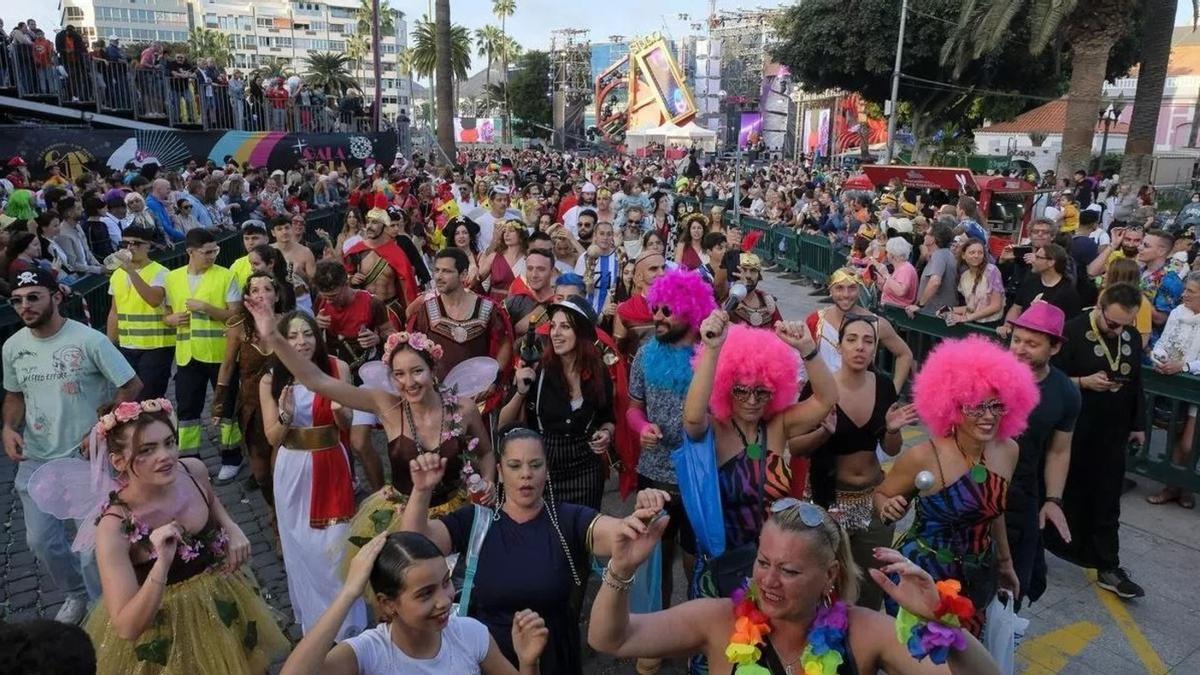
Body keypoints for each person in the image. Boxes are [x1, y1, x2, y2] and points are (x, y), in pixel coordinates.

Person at [588, 498, 1002, 675]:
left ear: (829, 576)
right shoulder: (718, 621)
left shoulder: (864, 631)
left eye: (789, 571)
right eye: (763, 562)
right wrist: (622, 568)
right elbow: (612, 639)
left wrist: (945, 623)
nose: (767, 580)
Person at [245, 295, 496, 559]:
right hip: (403, 517)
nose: (408, 382)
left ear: (433, 368)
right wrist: (273, 336)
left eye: (417, 371)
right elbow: (317, 381)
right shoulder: (385, 406)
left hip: (457, 513)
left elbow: (487, 454)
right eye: (399, 374)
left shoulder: (463, 408)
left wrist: (488, 481)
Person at [401, 429, 670, 674]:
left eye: (535, 465)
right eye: (514, 466)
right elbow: (414, 544)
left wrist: (640, 516)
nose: (525, 474)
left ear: (547, 470)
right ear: (500, 472)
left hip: (553, 658)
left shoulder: (567, 519)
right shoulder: (476, 521)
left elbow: (618, 533)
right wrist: (421, 490)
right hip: (491, 660)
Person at [83, 398, 288, 673]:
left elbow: (211, 500)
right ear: (119, 461)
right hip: (165, 637)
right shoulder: (114, 528)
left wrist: (231, 527)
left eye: (169, 442)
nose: (165, 456)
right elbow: (127, 627)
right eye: (147, 449)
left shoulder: (192, 471)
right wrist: (162, 564)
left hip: (220, 607)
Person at [3, 268, 142, 624]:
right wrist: (7, 427)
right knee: (41, 542)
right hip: (37, 459)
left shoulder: (89, 340)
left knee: (92, 549)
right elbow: (15, 394)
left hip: (88, 460)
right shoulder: (13, 347)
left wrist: (102, 426)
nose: (25, 306)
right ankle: (76, 594)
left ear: (56, 297)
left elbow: (131, 385)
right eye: (17, 301)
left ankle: (104, 614)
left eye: (34, 297)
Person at [875, 335, 1038, 635]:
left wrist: (1005, 563)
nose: (988, 417)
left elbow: (994, 509)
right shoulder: (924, 456)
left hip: (975, 577)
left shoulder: (1008, 451)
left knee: (963, 656)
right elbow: (882, 493)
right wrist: (888, 507)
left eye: (996, 405)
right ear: (952, 405)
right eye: (976, 407)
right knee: (919, 661)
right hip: (924, 575)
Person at [684, 312, 837, 582]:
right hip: (725, 567)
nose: (752, 400)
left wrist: (808, 350)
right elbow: (693, 418)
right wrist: (712, 350)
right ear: (725, 387)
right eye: (741, 390)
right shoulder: (714, 429)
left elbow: (826, 400)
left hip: (774, 564)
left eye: (762, 391)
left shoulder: (779, 425)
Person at [787, 315, 920, 610]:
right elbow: (795, 447)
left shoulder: (884, 386)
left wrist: (893, 430)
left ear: (875, 348)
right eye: (852, 339)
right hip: (828, 499)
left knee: (872, 585)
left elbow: (891, 448)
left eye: (868, 341)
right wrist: (823, 432)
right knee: (827, 585)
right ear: (840, 345)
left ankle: (866, 650)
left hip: (873, 499)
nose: (860, 347)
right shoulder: (821, 389)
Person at [278, 532, 549, 675]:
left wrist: (528, 663)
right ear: (388, 604)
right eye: (425, 594)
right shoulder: (369, 653)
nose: (444, 600)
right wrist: (349, 592)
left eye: (446, 582)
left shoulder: (470, 634)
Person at [258, 310, 367, 639]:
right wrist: (287, 417)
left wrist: (344, 414)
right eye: (292, 337)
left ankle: (349, 627)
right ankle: (317, 627)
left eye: (307, 334)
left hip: (332, 463)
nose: (301, 342)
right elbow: (272, 437)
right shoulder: (271, 378)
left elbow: (346, 427)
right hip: (294, 471)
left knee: (335, 549)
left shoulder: (337, 368)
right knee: (303, 551)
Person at [1045, 283, 1147, 599]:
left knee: (1107, 498)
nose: (1118, 331)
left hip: (1112, 432)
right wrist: (1082, 382)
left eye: (1125, 325)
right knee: (1059, 493)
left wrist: (1138, 423)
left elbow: (1136, 382)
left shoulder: (1129, 336)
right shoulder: (1073, 331)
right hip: (1073, 430)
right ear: (1100, 306)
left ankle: (1108, 564)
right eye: (1112, 323)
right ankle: (1038, 546)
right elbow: (1051, 377)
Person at [626, 269, 717, 612]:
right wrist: (641, 427)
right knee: (655, 561)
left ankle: (696, 633)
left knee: (697, 562)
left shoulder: (710, 356)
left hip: (700, 475)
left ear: (691, 312)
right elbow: (633, 408)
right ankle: (656, 633)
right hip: (654, 475)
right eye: (655, 309)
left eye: (667, 310)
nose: (658, 317)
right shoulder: (647, 353)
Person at [500, 296, 614, 509]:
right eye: (553, 326)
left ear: (580, 333)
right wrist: (521, 392)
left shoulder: (598, 372)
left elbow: (607, 418)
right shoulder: (537, 369)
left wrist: (606, 434)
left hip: (586, 470)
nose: (556, 333)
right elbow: (503, 424)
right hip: (544, 469)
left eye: (565, 327)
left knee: (581, 536)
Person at [1003, 301, 1079, 608]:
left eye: (1032, 344)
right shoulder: (987, 372)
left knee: (1014, 586)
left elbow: (1059, 451)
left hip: (1023, 494)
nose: (1020, 349)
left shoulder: (1065, 393)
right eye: (1016, 340)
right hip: (975, 485)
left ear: (1055, 347)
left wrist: (1053, 500)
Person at [213, 272, 284, 503]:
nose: (261, 295)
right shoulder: (239, 328)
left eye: (267, 289)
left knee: (280, 468)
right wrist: (220, 404)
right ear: (247, 297)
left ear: (276, 295)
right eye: (255, 290)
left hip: (284, 405)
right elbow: (226, 367)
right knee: (262, 474)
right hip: (252, 409)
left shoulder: (290, 323)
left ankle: (283, 515)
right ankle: (272, 506)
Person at [805, 268, 913, 392]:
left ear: (859, 289)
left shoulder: (876, 324)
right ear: (831, 290)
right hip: (822, 399)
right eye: (839, 288)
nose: (846, 294)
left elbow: (905, 354)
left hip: (860, 402)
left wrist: (893, 393)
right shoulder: (815, 321)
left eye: (852, 288)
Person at [1147, 271, 1200, 509]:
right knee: (1174, 435)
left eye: (1190, 291)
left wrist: (1186, 366)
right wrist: (1159, 359)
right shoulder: (1178, 312)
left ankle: (1185, 485)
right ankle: (1174, 487)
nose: (1184, 295)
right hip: (1175, 383)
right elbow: (1164, 341)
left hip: (1196, 388)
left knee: (1190, 442)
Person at [105, 225, 174, 400]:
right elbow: (114, 312)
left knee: (149, 399)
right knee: (128, 400)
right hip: (127, 346)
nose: (130, 247)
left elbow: (153, 300)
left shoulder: (161, 272)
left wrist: (131, 272)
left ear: (148, 246)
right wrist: (108, 345)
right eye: (125, 243)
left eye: (136, 243)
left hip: (156, 346)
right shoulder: (117, 275)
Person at [344, 208, 420, 328]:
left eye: (374, 223)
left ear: (385, 226)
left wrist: (411, 321)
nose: (369, 226)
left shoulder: (396, 253)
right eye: (368, 222)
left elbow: (407, 288)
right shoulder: (355, 252)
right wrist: (350, 279)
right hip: (366, 310)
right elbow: (343, 283)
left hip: (390, 311)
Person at [313, 260, 393, 375]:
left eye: (333, 296)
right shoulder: (320, 301)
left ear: (346, 284)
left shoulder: (372, 303)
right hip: (335, 364)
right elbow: (313, 336)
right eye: (325, 297)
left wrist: (377, 338)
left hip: (366, 365)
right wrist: (316, 325)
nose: (328, 301)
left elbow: (390, 333)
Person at [997, 243, 1081, 337]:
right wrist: (1007, 326)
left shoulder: (1068, 292)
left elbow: (1069, 325)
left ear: (1051, 262)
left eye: (1037, 257)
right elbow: (1017, 307)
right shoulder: (1030, 282)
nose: (1033, 260)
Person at [613, 251, 667, 358]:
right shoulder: (625, 310)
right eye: (653, 269)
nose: (662, 273)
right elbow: (619, 352)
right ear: (639, 276)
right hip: (637, 370)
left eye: (663, 267)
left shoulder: (678, 305)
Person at [907, 220, 958, 317]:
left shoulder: (939, 255)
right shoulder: (945, 254)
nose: (924, 235)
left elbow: (935, 282)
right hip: (939, 313)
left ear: (933, 239)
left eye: (927, 233)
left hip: (934, 315)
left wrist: (919, 305)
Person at [271, 215, 317, 315]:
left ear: (291, 229)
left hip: (301, 300)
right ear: (273, 233)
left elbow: (314, 285)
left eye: (287, 228)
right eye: (279, 229)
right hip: (277, 302)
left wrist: (302, 274)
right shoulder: (269, 252)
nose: (284, 232)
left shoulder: (305, 252)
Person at [726, 249, 783, 328]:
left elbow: (780, 334)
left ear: (758, 275)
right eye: (744, 270)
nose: (748, 275)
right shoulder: (728, 302)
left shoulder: (768, 303)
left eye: (753, 270)